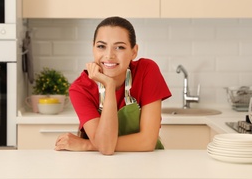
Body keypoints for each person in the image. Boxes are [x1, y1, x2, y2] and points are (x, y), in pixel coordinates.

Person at [55, 16, 172, 155]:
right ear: (93, 48)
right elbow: (105, 148)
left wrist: (87, 145)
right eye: (101, 46)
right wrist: (109, 85)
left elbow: (147, 141)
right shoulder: (80, 89)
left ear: (134, 51)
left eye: (119, 47)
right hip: (99, 165)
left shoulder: (147, 70)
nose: (109, 55)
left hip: (146, 161)